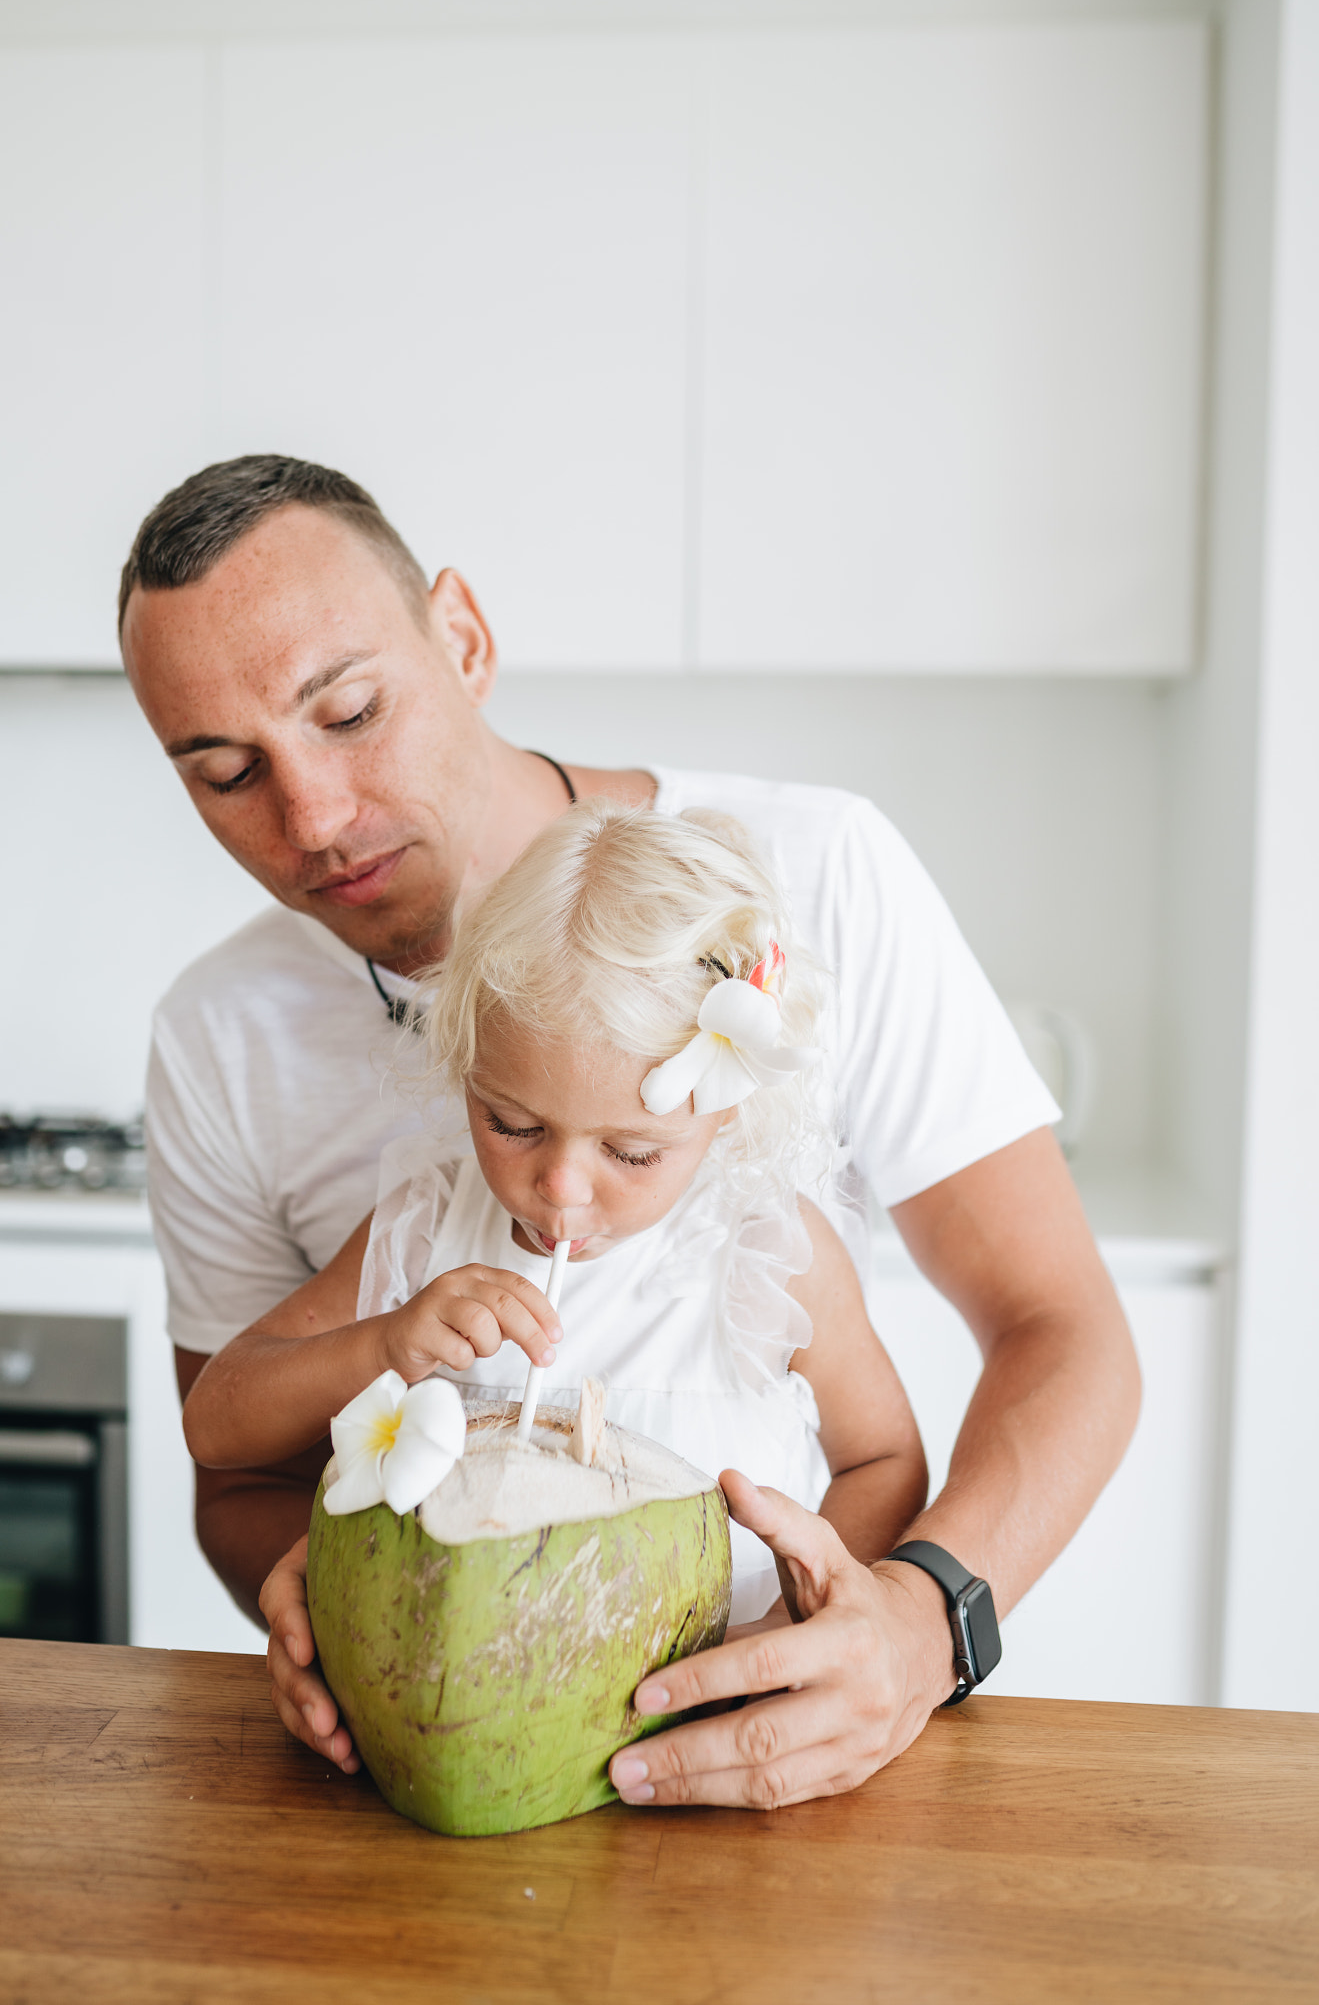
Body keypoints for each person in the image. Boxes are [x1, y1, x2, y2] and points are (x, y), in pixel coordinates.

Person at [119, 454, 1140, 1811]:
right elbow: (235, 1467)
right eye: (227, 772)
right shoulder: (219, 1042)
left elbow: (1060, 1330)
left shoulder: (815, 878)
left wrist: (913, 1621)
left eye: (352, 711)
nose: (314, 819)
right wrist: (308, 1599)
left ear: (462, 637)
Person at [180, 800, 930, 1632]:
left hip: (722, 1726)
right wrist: (381, 1342)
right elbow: (217, 1424)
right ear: (465, 1062)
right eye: (513, 1125)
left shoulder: (767, 1254)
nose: (562, 1188)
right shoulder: (428, 1229)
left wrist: (793, 1629)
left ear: (724, 1113)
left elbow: (885, 1461)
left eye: (633, 1153)